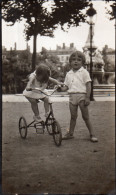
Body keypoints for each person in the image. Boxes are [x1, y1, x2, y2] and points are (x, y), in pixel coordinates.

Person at [60, 51, 98, 142]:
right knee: (73, 117)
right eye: (73, 60)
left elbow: (88, 85)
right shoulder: (68, 74)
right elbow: (65, 87)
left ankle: (92, 134)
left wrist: (87, 97)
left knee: (86, 117)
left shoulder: (84, 72)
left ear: (83, 62)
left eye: (79, 60)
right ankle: (70, 133)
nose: (76, 62)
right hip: (72, 97)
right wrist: (60, 88)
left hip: (82, 96)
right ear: (70, 62)